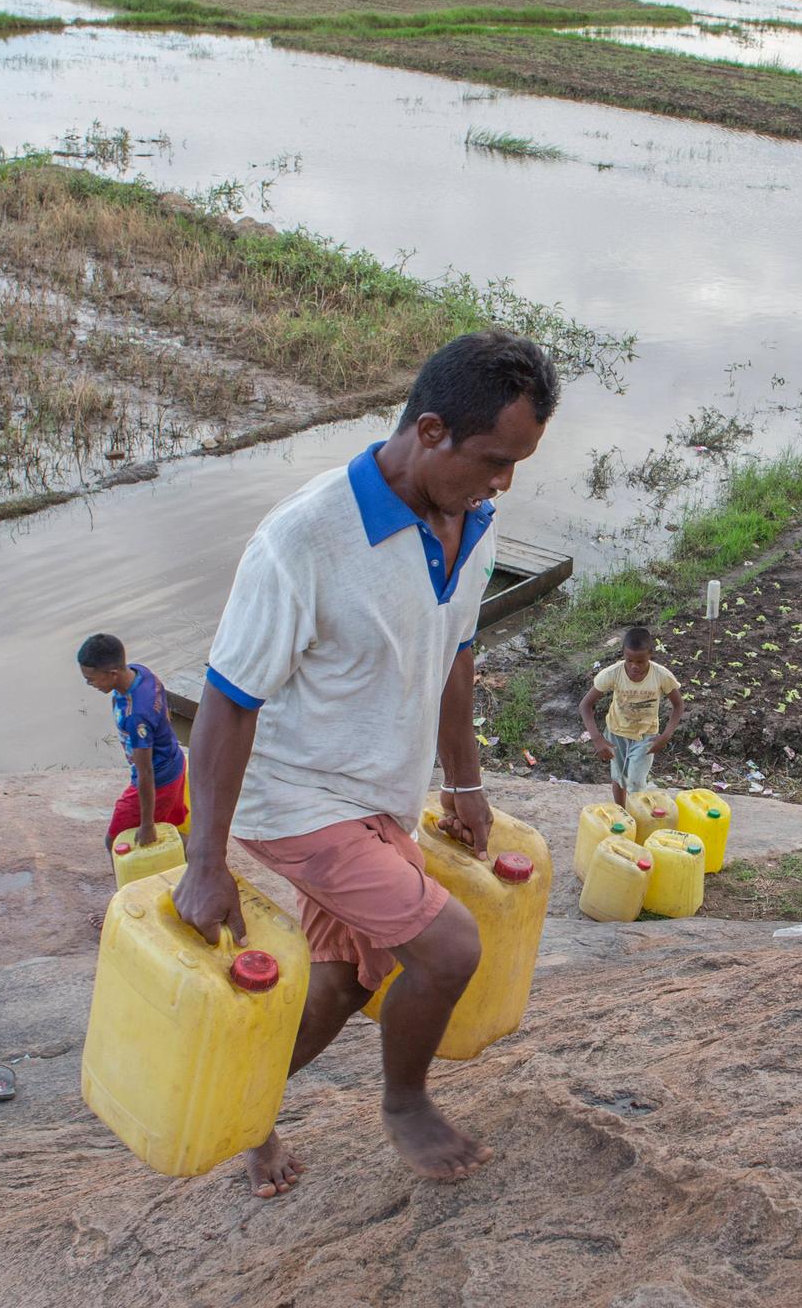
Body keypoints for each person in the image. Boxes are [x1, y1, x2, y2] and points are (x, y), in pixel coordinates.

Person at [173, 329, 558, 1197]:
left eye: (518, 464)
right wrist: (205, 865)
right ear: (431, 431)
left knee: (346, 981)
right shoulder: (302, 541)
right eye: (495, 460)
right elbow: (229, 701)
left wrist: (464, 783)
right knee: (448, 948)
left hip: (380, 792)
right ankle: (405, 1101)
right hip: (296, 799)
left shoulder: (472, 521)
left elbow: (455, 653)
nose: (504, 483)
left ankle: (246, 1112)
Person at [77, 633, 188, 862]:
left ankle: (131, 891)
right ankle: (198, 868)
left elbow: (146, 771)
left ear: (112, 674)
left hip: (158, 780)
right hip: (174, 763)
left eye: (91, 679)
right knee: (171, 828)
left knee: (115, 840)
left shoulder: (137, 716)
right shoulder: (141, 672)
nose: (90, 684)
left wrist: (146, 824)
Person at [580, 626, 684, 811]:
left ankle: (638, 816)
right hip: (616, 733)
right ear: (623, 655)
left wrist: (666, 736)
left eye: (640, 661)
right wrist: (597, 739)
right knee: (619, 778)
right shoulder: (613, 673)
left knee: (636, 782)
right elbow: (585, 705)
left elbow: (678, 705)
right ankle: (622, 814)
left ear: (650, 654)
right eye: (629, 660)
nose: (634, 666)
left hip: (646, 736)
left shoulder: (661, 676)